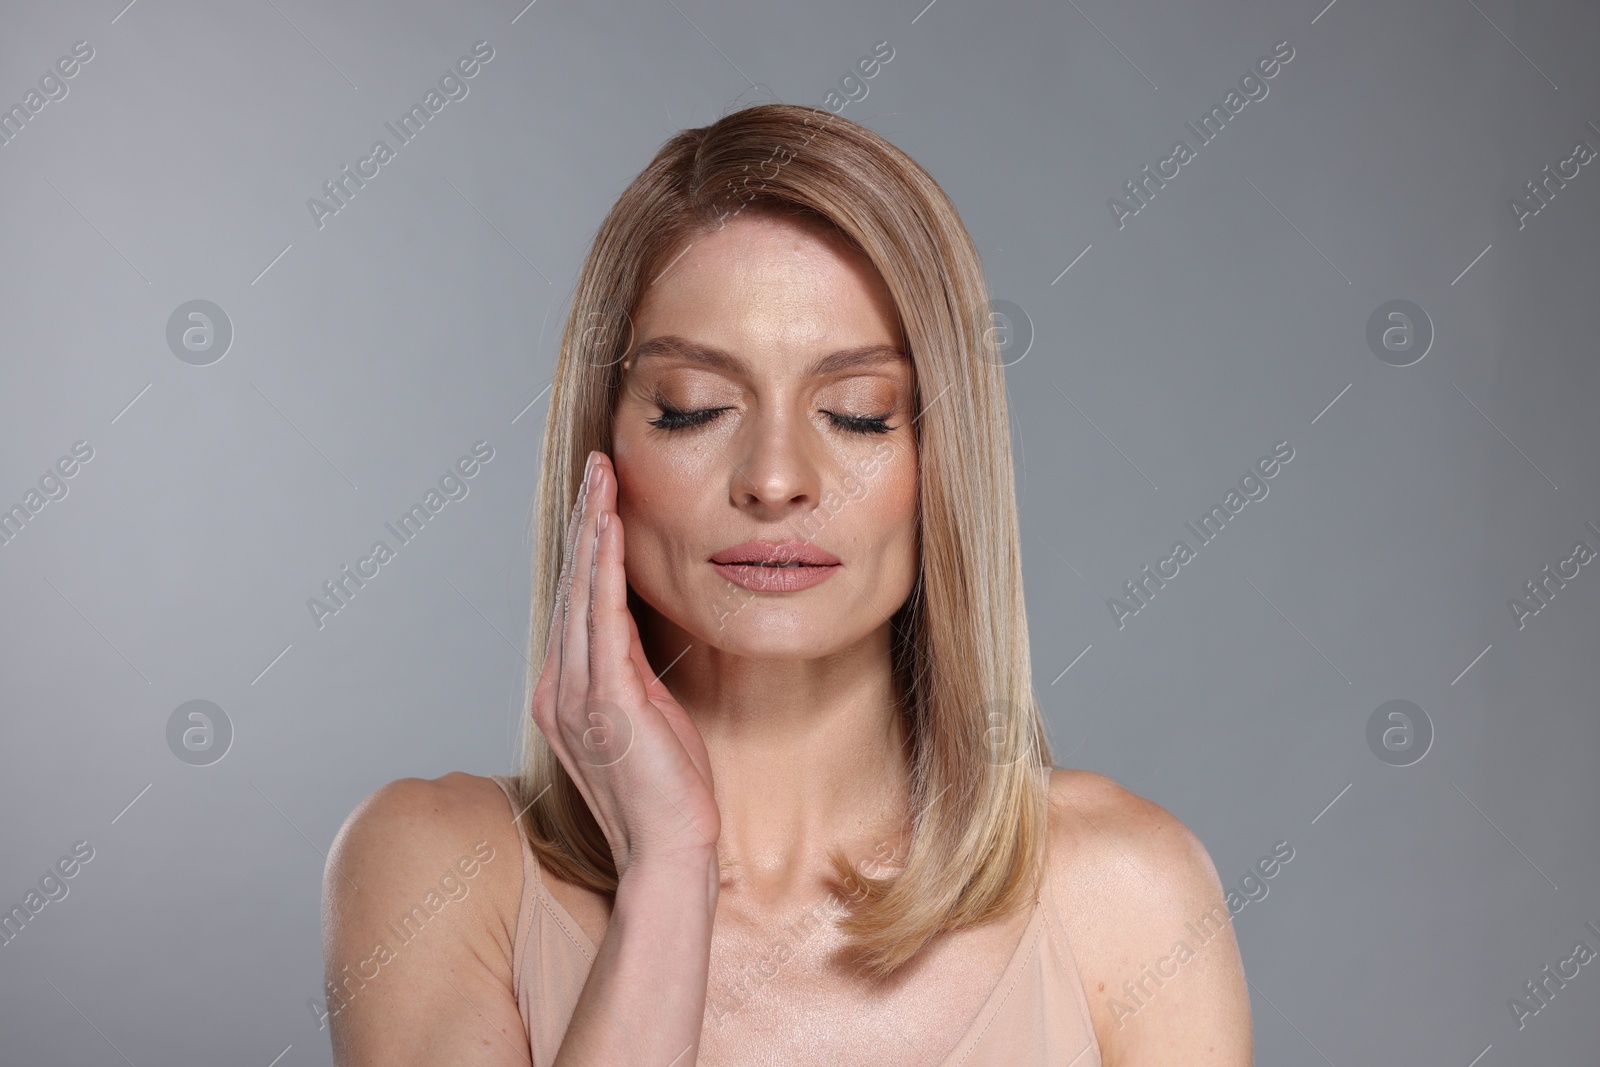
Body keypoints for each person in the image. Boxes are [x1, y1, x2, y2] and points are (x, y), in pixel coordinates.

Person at [321, 102, 1252, 1066]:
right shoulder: (433, 870)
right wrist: (668, 875)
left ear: (946, 466)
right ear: (600, 447)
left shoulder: (1130, 895)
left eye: (858, 414)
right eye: (695, 409)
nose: (774, 477)